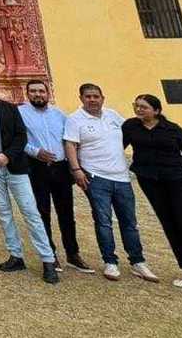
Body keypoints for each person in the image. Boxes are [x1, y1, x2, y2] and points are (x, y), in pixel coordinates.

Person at [0, 73, 59, 284]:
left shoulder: (10, 108)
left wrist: (8, 155)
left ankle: (48, 259)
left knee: (30, 212)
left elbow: (20, 136)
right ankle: (16, 255)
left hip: (15, 166)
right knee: (3, 212)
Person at [124, 94, 182, 299]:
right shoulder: (130, 127)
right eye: (136, 106)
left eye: (144, 107)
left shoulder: (173, 130)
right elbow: (115, 148)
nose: (139, 110)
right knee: (170, 226)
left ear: (156, 111)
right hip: (151, 182)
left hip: (178, 181)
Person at [64, 83, 159, 283]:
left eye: (96, 96)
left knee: (130, 222)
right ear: (81, 98)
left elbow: (132, 133)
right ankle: (110, 261)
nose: (92, 99)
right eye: (88, 96)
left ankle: (138, 261)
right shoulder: (75, 119)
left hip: (122, 177)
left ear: (102, 98)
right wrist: (76, 170)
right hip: (96, 177)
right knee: (103, 221)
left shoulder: (113, 115)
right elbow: (70, 144)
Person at [18, 80, 92, 274]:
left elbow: (70, 139)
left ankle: (73, 253)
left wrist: (75, 165)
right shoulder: (20, 113)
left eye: (41, 91)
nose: (38, 94)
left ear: (48, 93)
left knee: (66, 212)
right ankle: (50, 254)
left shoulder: (59, 114)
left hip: (61, 168)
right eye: (33, 91)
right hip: (37, 168)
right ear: (27, 94)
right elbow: (17, 139)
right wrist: (35, 152)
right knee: (42, 212)